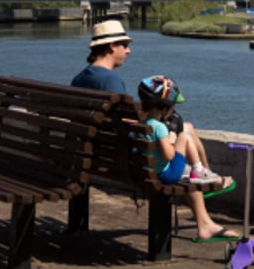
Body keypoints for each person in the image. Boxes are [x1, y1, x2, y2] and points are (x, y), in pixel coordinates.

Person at [70, 19, 214, 172]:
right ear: (112, 46)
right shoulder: (111, 80)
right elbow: (125, 122)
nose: (128, 51)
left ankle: (204, 172)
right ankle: (206, 172)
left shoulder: (79, 78)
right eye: (125, 46)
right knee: (186, 129)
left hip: (93, 148)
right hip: (119, 154)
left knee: (183, 127)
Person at [136, 75, 237, 240]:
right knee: (185, 136)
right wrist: (172, 143)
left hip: (141, 171)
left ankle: (204, 172)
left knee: (186, 131)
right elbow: (169, 156)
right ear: (165, 108)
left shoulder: (140, 125)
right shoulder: (160, 127)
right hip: (165, 175)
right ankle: (202, 172)